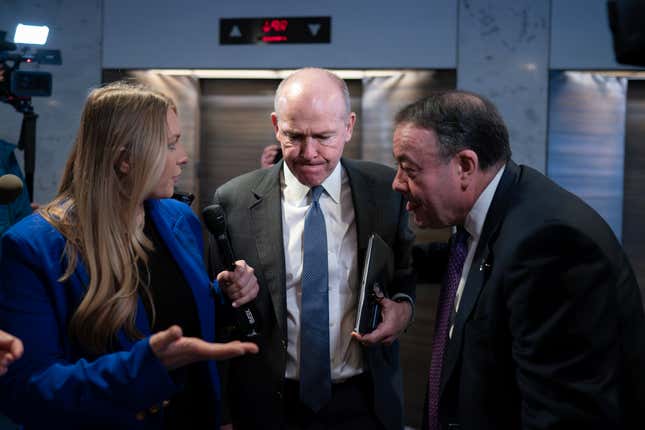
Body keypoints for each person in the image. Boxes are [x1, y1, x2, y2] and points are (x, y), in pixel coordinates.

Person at [0, 82, 259, 429]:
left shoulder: (178, 219)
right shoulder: (32, 247)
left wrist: (222, 295)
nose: (182, 156)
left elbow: (167, 307)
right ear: (125, 159)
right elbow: (28, 390)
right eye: (169, 145)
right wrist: (145, 367)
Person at [391, 90, 645, 430]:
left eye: (409, 169)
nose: (397, 183)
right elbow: (471, 264)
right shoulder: (492, 210)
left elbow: (562, 416)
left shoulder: (551, 246)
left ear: (465, 166)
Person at [210, 67, 415, 430]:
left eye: (324, 137)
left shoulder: (387, 191)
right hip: (269, 406)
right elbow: (220, 313)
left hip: (365, 401)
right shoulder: (234, 200)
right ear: (276, 125)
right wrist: (228, 290)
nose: (309, 153)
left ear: (349, 127)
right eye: (294, 136)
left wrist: (404, 309)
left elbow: (404, 273)